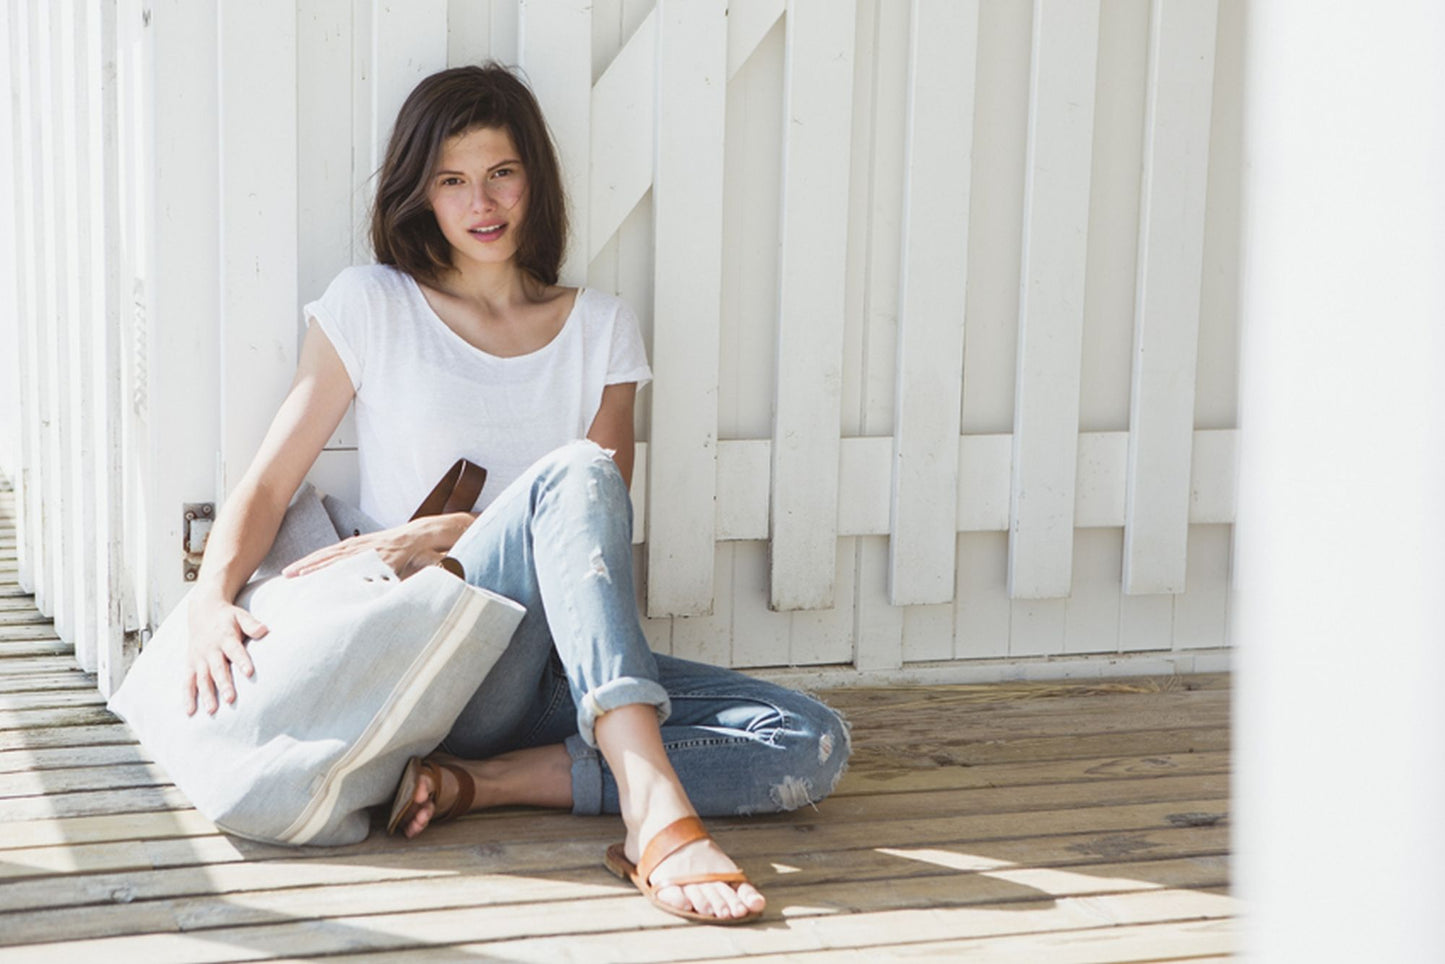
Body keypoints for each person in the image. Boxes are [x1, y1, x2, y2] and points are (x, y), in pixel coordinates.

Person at [182, 63, 849, 925]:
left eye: (500, 173)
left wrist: (450, 528)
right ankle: (653, 813)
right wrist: (208, 596)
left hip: (544, 675)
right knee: (574, 470)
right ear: (420, 195)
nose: (480, 203)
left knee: (810, 742)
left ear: (533, 177)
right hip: (427, 653)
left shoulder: (602, 328)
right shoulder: (372, 304)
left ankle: (482, 784)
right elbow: (271, 481)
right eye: (451, 181)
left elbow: (597, 540)